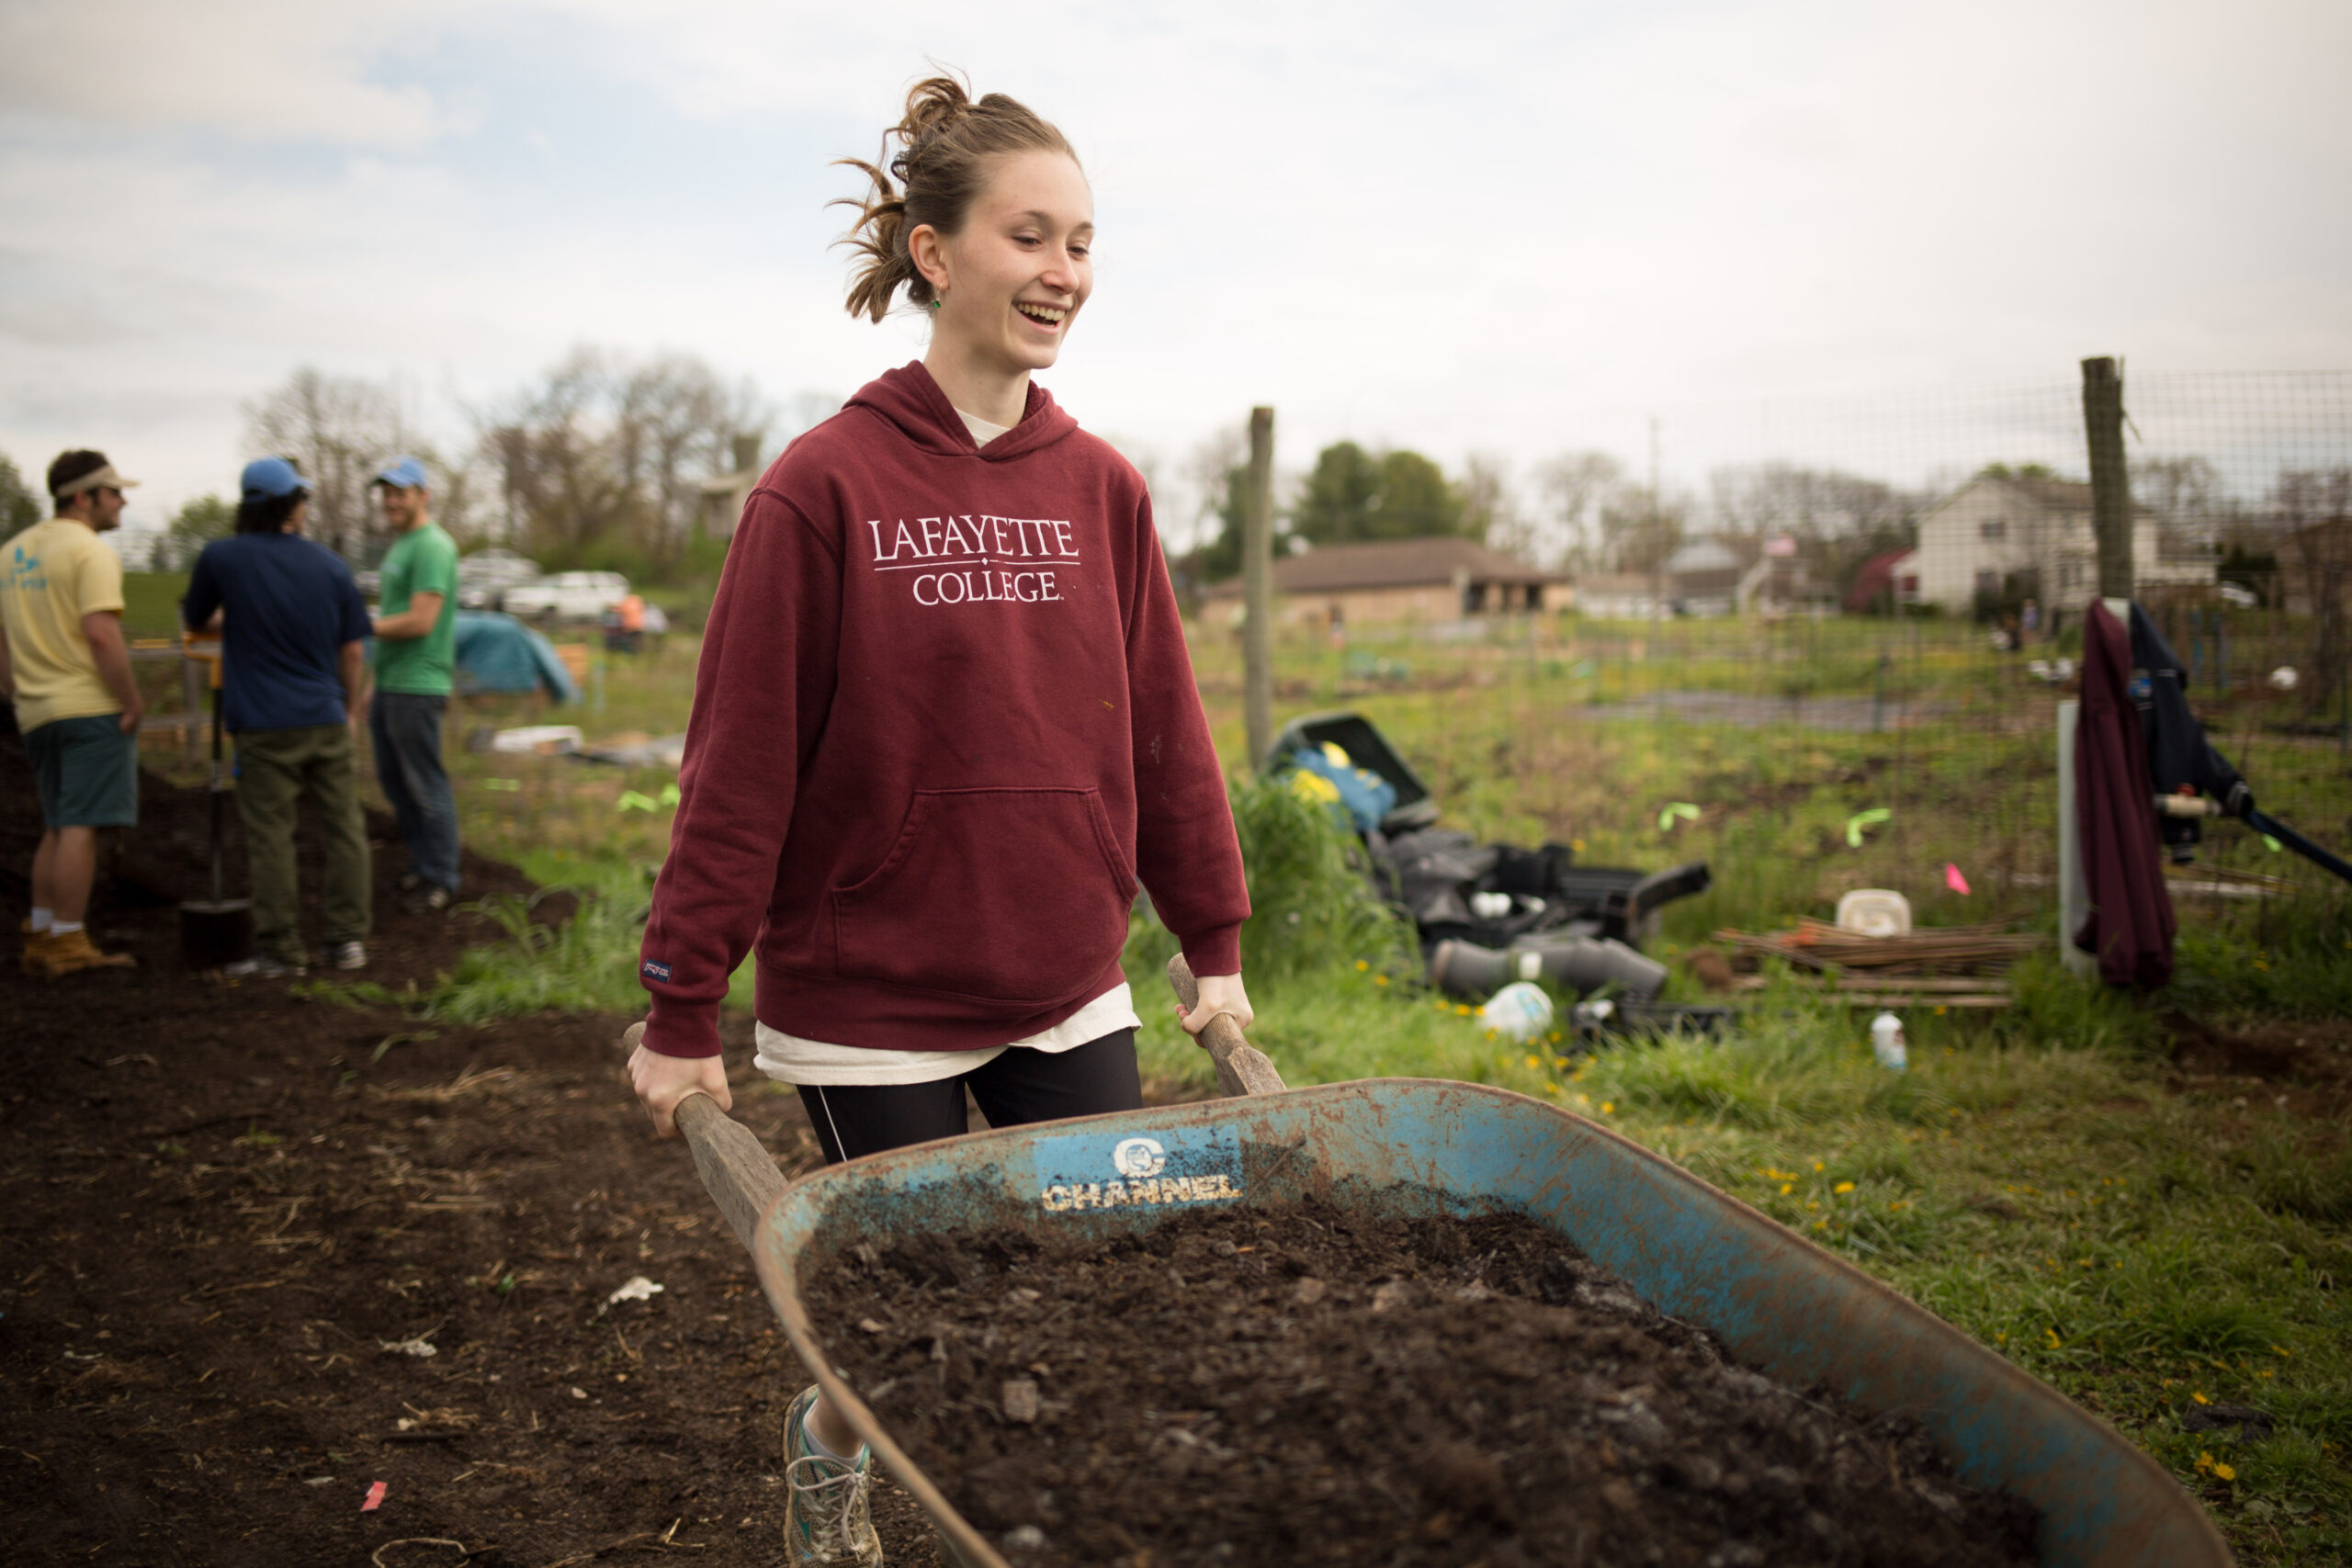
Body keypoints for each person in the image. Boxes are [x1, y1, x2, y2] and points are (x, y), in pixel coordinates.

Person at [623, 77, 1252, 1568]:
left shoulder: (1102, 488)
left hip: (1066, 982)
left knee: (1088, 1294)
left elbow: (1166, 730)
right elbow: (741, 766)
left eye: (1084, 242)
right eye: (1031, 236)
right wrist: (678, 1001)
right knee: (914, 1319)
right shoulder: (821, 489)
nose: (1065, 272)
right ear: (934, 253)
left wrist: (1210, 937)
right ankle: (828, 1448)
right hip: (877, 1003)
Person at [181, 458, 374, 977]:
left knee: (272, 835)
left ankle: (282, 951)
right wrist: (349, 708)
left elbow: (196, 619)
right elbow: (351, 649)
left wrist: (239, 617)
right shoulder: (331, 566)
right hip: (326, 717)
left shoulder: (223, 558)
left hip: (264, 725)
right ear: (291, 504)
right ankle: (347, 941)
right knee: (344, 829)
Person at [1, 450, 143, 977]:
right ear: (83, 498)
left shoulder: (11, 553)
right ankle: (68, 941)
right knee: (81, 825)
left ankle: (40, 931)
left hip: (37, 711)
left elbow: (1, 639)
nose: (123, 501)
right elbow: (101, 634)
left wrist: (19, 691)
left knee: (58, 824)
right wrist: (130, 701)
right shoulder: (89, 552)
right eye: (114, 493)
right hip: (87, 708)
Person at [368, 456, 461, 911]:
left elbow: (422, 620)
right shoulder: (402, 544)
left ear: (423, 495)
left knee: (425, 782)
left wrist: (361, 624)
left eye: (400, 492)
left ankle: (442, 875)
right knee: (396, 782)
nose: (391, 501)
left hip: (418, 685)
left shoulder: (432, 546)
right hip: (390, 682)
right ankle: (423, 865)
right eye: (386, 492)